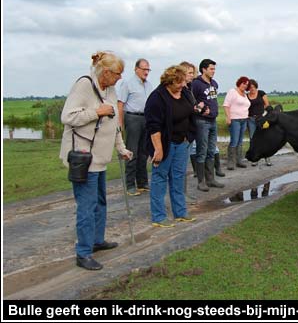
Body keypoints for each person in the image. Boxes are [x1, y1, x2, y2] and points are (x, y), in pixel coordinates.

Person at [60, 51, 133, 270]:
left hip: (100, 158)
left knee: (101, 202)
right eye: (118, 74)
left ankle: (97, 240)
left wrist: (121, 148)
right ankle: (83, 253)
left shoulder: (110, 89)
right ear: (106, 72)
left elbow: (114, 124)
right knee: (87, 206)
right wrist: (96, 112)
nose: (120, 78)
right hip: (83, 158)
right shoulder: (84, 85)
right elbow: (68, 117)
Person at [145, 65, 197, 228]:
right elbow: (154, 127)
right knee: (160, 178)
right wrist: (158, 150)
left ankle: (180, 213)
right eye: (179, 83)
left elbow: (191, 113)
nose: (183, 85)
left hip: (182, 142)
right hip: (165, 143)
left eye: (184, 82)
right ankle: (159, 217)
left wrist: (189, 136)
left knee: (178, 177)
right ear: (170, 81)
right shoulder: (157, 98)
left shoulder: (186, 93)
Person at [117, 58, 153, 197]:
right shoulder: (128, 83)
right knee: (132, 151)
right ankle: (130, 184)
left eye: (148, 69)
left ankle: (142, 182)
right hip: (132, 117)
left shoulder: (149, 85)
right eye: (144, 69)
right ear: (136, 69)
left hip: (146, 118)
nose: (146, 72)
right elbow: (120, 103)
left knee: (144, 151)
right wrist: (120, 122)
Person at [191, 59, 225, 191]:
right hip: (202, 122)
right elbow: (192, 103)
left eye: (214, 69)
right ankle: (201, 182)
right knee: (202, 151)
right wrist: (202, 109)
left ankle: (211, 179)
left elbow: (213, 100)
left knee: (211, 150)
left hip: (213, 121)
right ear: (204, 69)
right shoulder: (196, 84)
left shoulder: (214, 84)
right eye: (211, 69)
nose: (213, 71)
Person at [223, 76, 251, 170]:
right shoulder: (232, 92)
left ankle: (239, 161)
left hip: (244, 119)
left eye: (247, 85)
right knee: (234, 141)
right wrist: (228, 117)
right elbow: (226, 105)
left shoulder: (245, 94)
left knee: (240, 141)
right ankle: (230, 162)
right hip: (235, 120)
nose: (245, 86)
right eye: (243, 83)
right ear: (239, 83)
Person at [246, 79, 272, 167]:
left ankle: (267, 157)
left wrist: (265, 116)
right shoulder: (246, 96)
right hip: (250, 120)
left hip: (261, 118)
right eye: (250, 87)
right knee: (253, 139)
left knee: (264, 138)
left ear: (255, 86)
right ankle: (255, 159)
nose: (252, 89)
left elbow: (267, 105)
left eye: (253, 87)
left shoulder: (261, 93)